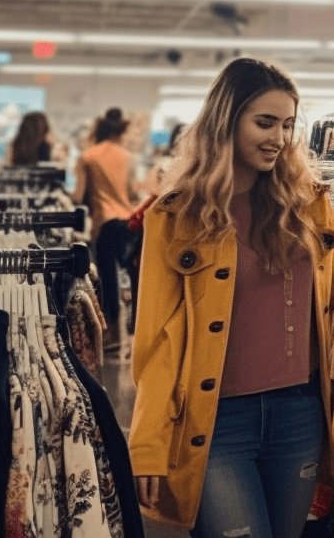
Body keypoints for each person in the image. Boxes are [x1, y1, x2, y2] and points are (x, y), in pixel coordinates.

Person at [130, 57, 334, 537]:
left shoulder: (310, 207)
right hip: (218, 421)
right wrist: (147, 446)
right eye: (264, 123)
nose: (279, 139)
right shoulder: (176, 217)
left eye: (287, 125)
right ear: (226, 121)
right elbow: (157, 340)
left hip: (300, 416)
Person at [73, 107, 138, 344]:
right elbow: (131, 191)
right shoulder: (127, 156)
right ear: (118, 133)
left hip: (104, 221)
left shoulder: (88, 156)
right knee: (132, 271)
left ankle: (112, 330)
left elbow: (78, 196)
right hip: (128, 220)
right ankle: (136, 324)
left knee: (108, 277)